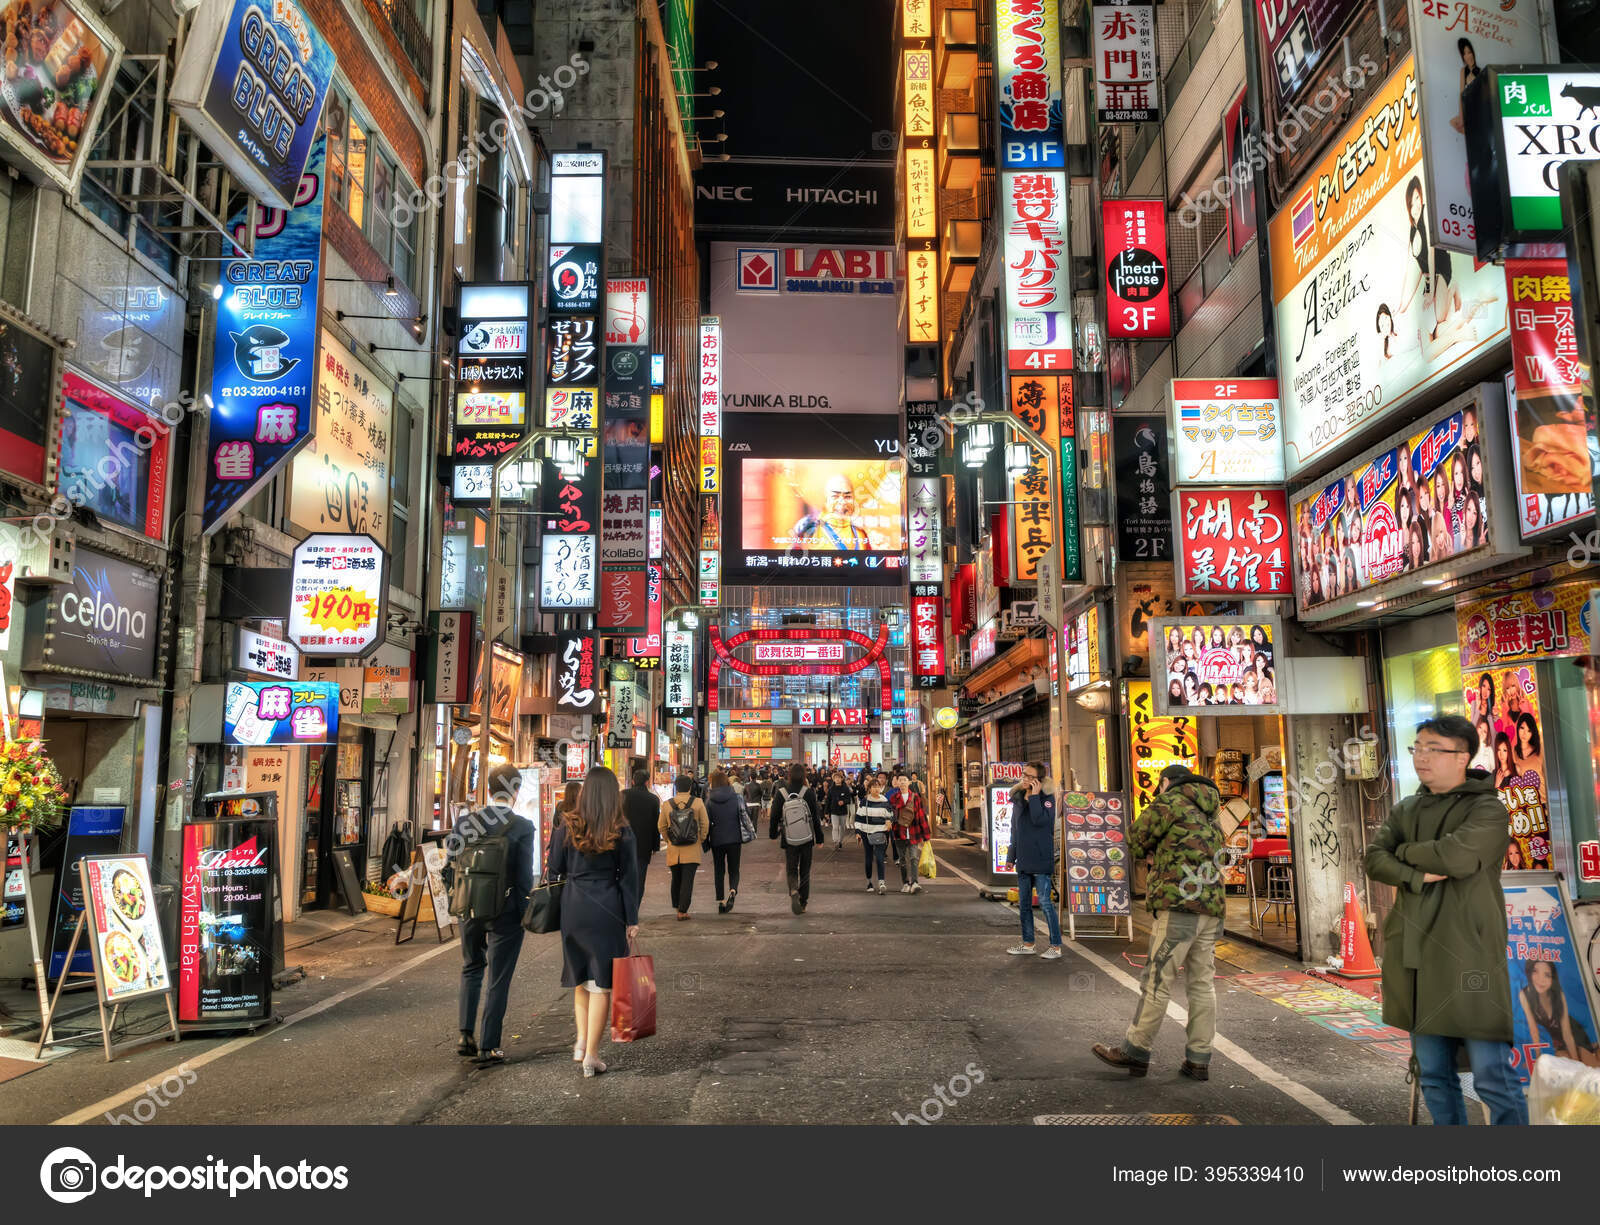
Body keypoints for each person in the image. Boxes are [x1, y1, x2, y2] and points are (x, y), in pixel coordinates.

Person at [1363, 714, 1527, 1125]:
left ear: (1463, 757)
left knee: (1492, 1076)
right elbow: (1373, 859)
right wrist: (1417, 872)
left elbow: (1456, 857)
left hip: (1469, 956)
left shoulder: (1488, 808)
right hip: (1415, 955)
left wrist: (1405, 854)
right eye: (1418, 747)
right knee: (1433, 1074)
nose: (1422, 757)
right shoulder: (1407, 807)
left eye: (1434, 749)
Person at [1092, 763, 1224, 1080]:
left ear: (1166, 782)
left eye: (1159, 787)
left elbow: (1135, 838)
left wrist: (1152, 851)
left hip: (1179, 907)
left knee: (1157, 980)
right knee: (1202, 984)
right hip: (1211, 908)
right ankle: (1198, 1059)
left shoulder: (1168, 801)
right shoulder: (1211, 809)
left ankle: (1135, 1050)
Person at [546, 766, 641, 1078]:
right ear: (613, 795)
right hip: (608, 908)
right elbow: (629, 880)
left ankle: (581, 1041)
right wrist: (631, 919)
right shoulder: (621, 830)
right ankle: (592, 1056)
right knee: (602, 984)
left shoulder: (567, 825)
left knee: (579, 976)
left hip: (573, 906)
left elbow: (555, 868)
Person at [454, 763, 537, 1066]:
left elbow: (453, 863)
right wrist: (527, 912)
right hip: (506, 911)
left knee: (471, 966)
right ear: (515, 791)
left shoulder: (465, 823)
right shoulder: (523, 827)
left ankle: (465, 1034)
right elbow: (525, 878)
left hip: (469, 907)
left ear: (488, 790)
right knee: (498, 978)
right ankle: (488, 1045)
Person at [1004, 762, 1061, 959]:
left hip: (1040, 857)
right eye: (1024, 775)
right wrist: (1011, 856)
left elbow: (1040, 820)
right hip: (1024, 859)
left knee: (1045, 903)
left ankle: (1055, 946)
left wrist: (1035, 796)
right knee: (1024, 903)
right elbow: (1015, 829)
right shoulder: (1018, 798)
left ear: (1040, 780)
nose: (1025, 779)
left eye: (1030, 776)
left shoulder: (1048, 799)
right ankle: (1028, 943)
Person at [1520, 960, 1600, 1067]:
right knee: (1560, 1061)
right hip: (1559, 1044)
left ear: (1552, 979)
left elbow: (1567, 1033)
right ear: (1529, 973)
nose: (1541, 979)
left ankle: (1591, 1049)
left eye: (1547, 975)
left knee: (1590, 1068)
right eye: (1535, 971)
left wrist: (1577, 1061)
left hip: (1575, 1036)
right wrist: (1538, 1059)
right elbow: (1533, 1029)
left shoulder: (1558, 994)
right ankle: (1592, 1050)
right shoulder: (1525, 995)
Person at [769, 761, 822, 913]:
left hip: (789, 837)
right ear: (804, 775)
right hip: (806, 837)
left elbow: (774, 816)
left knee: (791, 868)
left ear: (789, 775)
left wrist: (773, 834)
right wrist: (819, 839)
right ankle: (803, 902)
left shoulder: (782, 792)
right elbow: (815, 817)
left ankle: (793, 889)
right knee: (805, 870)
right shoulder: (808, 792)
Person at [658, 776, 710, 920]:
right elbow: (705, 824)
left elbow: (661, 826)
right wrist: (701, 838)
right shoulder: (698, 803)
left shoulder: (667, 804)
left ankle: (677, 907)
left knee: (676, 878)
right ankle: (683, 910)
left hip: (674, 849)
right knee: (688, 879)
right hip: (692, 848)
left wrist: (669, 840)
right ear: (689, 788)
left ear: (676, 787)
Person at [792, 474, 879, 550]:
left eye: (847, 496)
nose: (842, 501)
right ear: (825, 500)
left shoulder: (861, 534)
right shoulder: (809, 529)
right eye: (835, 496)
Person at [704, 769, 747, 914]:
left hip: (717, 839)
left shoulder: (709, 800)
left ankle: (721, 900)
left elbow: (706, 822)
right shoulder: (736, 797)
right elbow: (743, 814)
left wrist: (706, 840)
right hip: (735, 838)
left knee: (719, 870)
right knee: (734, 869)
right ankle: (733, 890)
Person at [621, 767, 662, 899]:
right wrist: (656, 846)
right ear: (647, 782)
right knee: (639, 878)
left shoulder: (623, 795)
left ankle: (623, 907)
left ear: (633, 781)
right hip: (644, 844)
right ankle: (634, 909)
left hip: (623, 842)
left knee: (623, 876)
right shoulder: (653, 799)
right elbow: (656, 824)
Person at [889, 769, 931, 894]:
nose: (902, 783)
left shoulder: (915, 797)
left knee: (913, 857)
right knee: (902, 859)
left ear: (908, 783)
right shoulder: (893, 798)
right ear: (897, 783)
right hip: (898, 832)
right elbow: (890, 815)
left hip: (913, 832)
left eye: (904, 780)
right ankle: (905, 883)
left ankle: (915, 882)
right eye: (900, 780)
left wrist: (926, 835)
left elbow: (921, 815)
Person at [822, 768, 854, 849]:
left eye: (839, 778)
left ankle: (840, 841)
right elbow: (828, 801)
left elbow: (848, 799)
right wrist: (826, 812)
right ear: (833, 779)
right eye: (835, 778)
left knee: (842, 828)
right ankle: (836, 841)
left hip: (843, 811)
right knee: (835, 827)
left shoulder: (845, 788)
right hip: (834, 811)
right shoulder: (831, 789)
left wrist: (843, 802)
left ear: (841, 778)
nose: (837, 779)